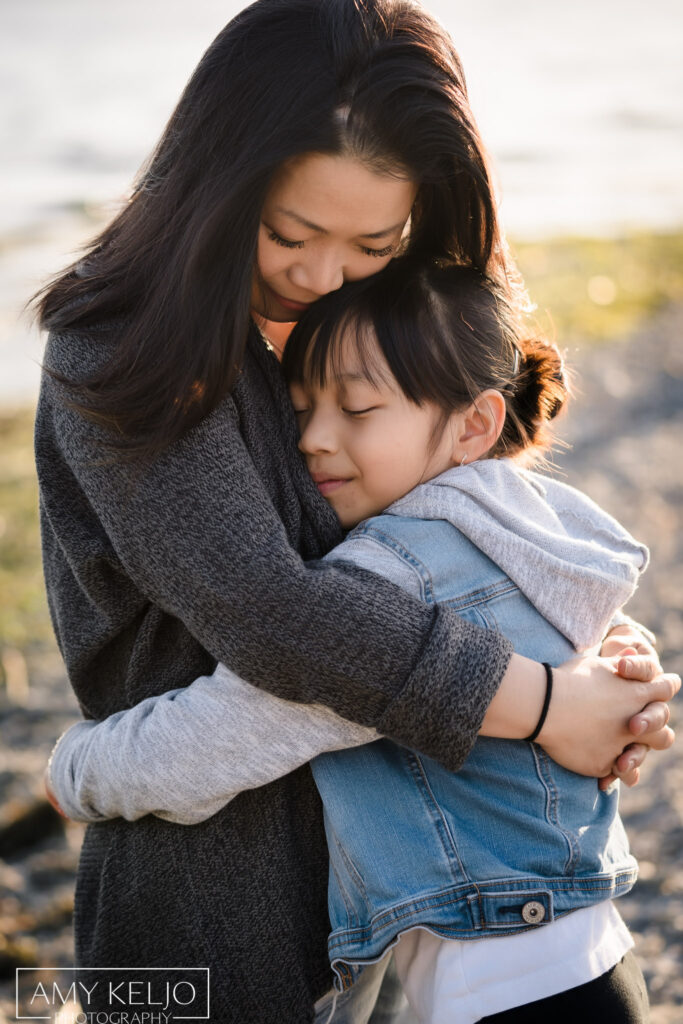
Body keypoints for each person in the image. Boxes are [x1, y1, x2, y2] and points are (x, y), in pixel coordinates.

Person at [35, 1, 676, 1021]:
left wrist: (594, 651)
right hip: (205, 893)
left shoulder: (361, 324)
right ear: (217, 182)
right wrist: (550, 703)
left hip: (397, 907)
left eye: (371, 242)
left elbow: (469, 527)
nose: (320, 275)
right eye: (288, 232)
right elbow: (281, 622)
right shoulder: (122, 350)